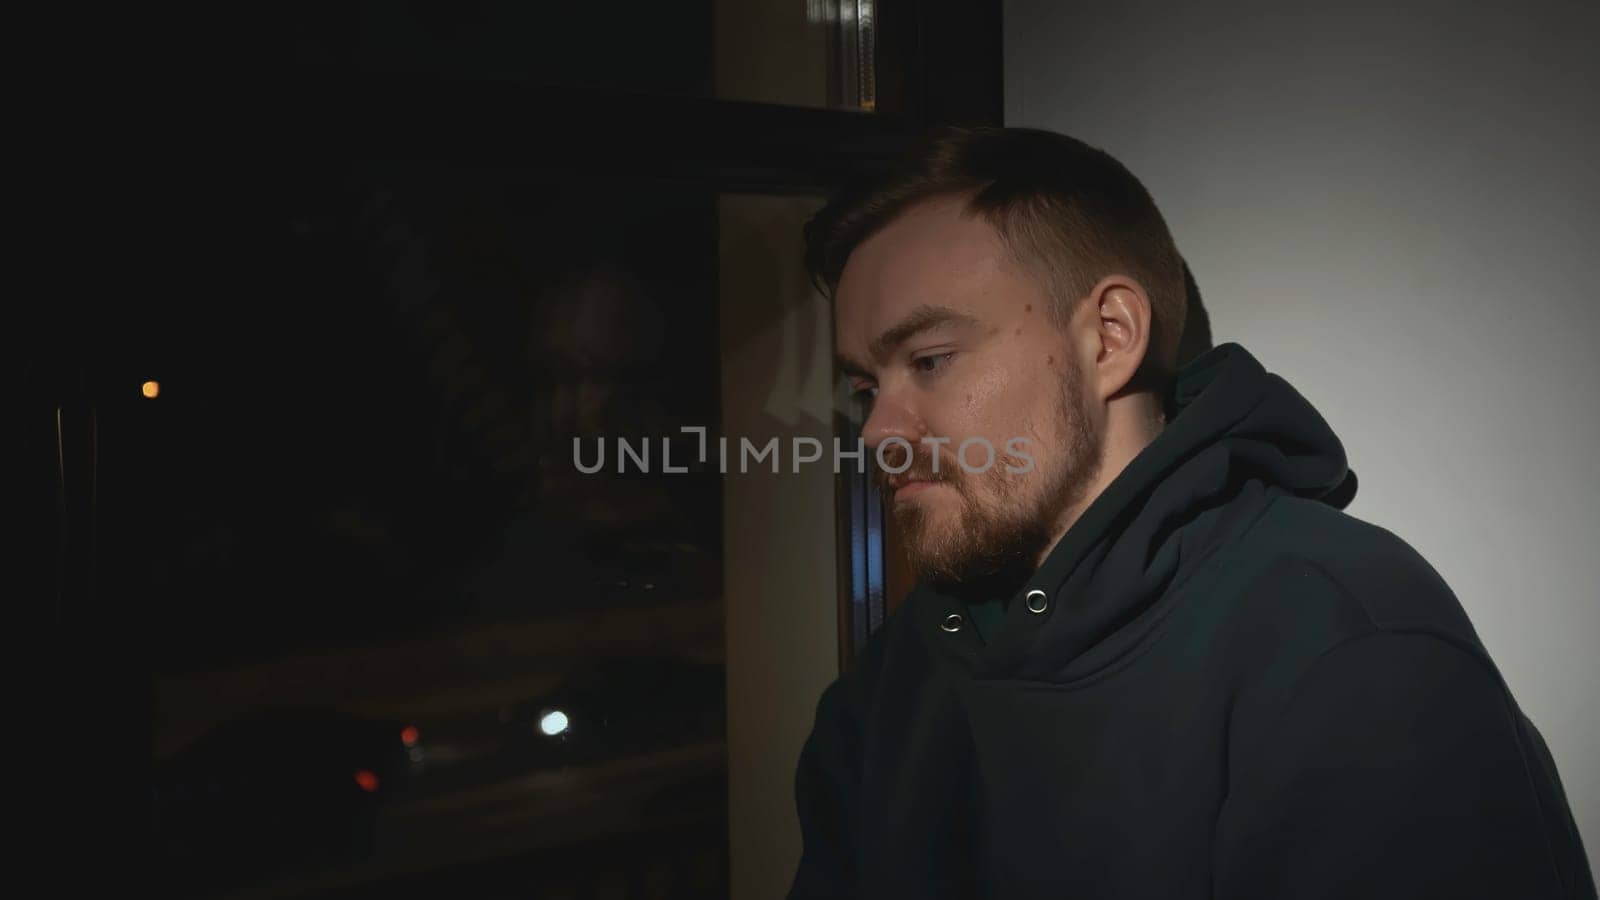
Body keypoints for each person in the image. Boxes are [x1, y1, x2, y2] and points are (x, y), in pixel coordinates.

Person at [789, 125, 1595, 899]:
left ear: (1110, 337)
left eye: (929, 360)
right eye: (866, 387)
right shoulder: (901, 676)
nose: (881, 432)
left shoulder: (1348, 647)